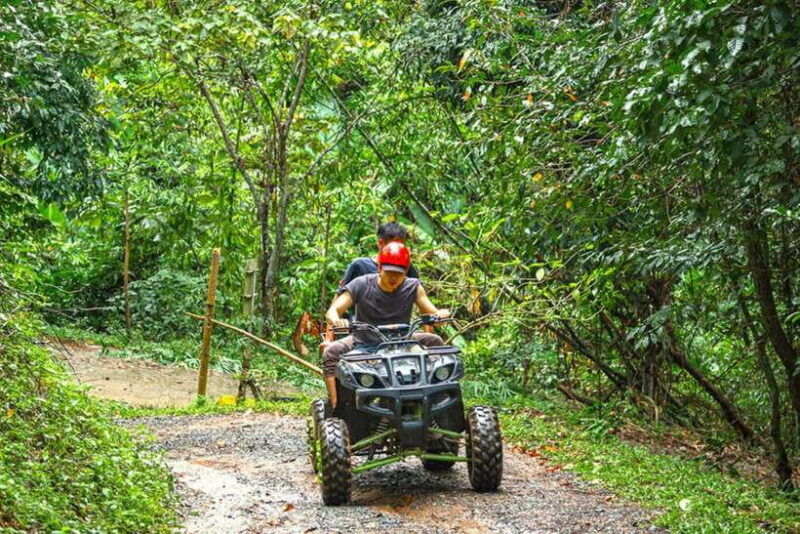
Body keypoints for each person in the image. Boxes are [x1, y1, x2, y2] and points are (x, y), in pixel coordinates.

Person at [323, 242, 449, 407]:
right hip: (366, 342)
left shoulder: (413, 287)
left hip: (403, 342)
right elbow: (333, 310)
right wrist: (337, 319)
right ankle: (336, 407)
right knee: (331, 352)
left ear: (405, 272)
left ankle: (439, 403)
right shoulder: (361, 284)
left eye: (399, 273)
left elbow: (432, 313)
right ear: (379, 268)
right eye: (389, 272)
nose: (393, 277)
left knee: (435, 342)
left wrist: (440, 315)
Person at [337, 221, 419, 293]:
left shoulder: (405, 267)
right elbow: (339, 297)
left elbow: (417, 294)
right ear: (380, 243)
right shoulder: (359, 266)